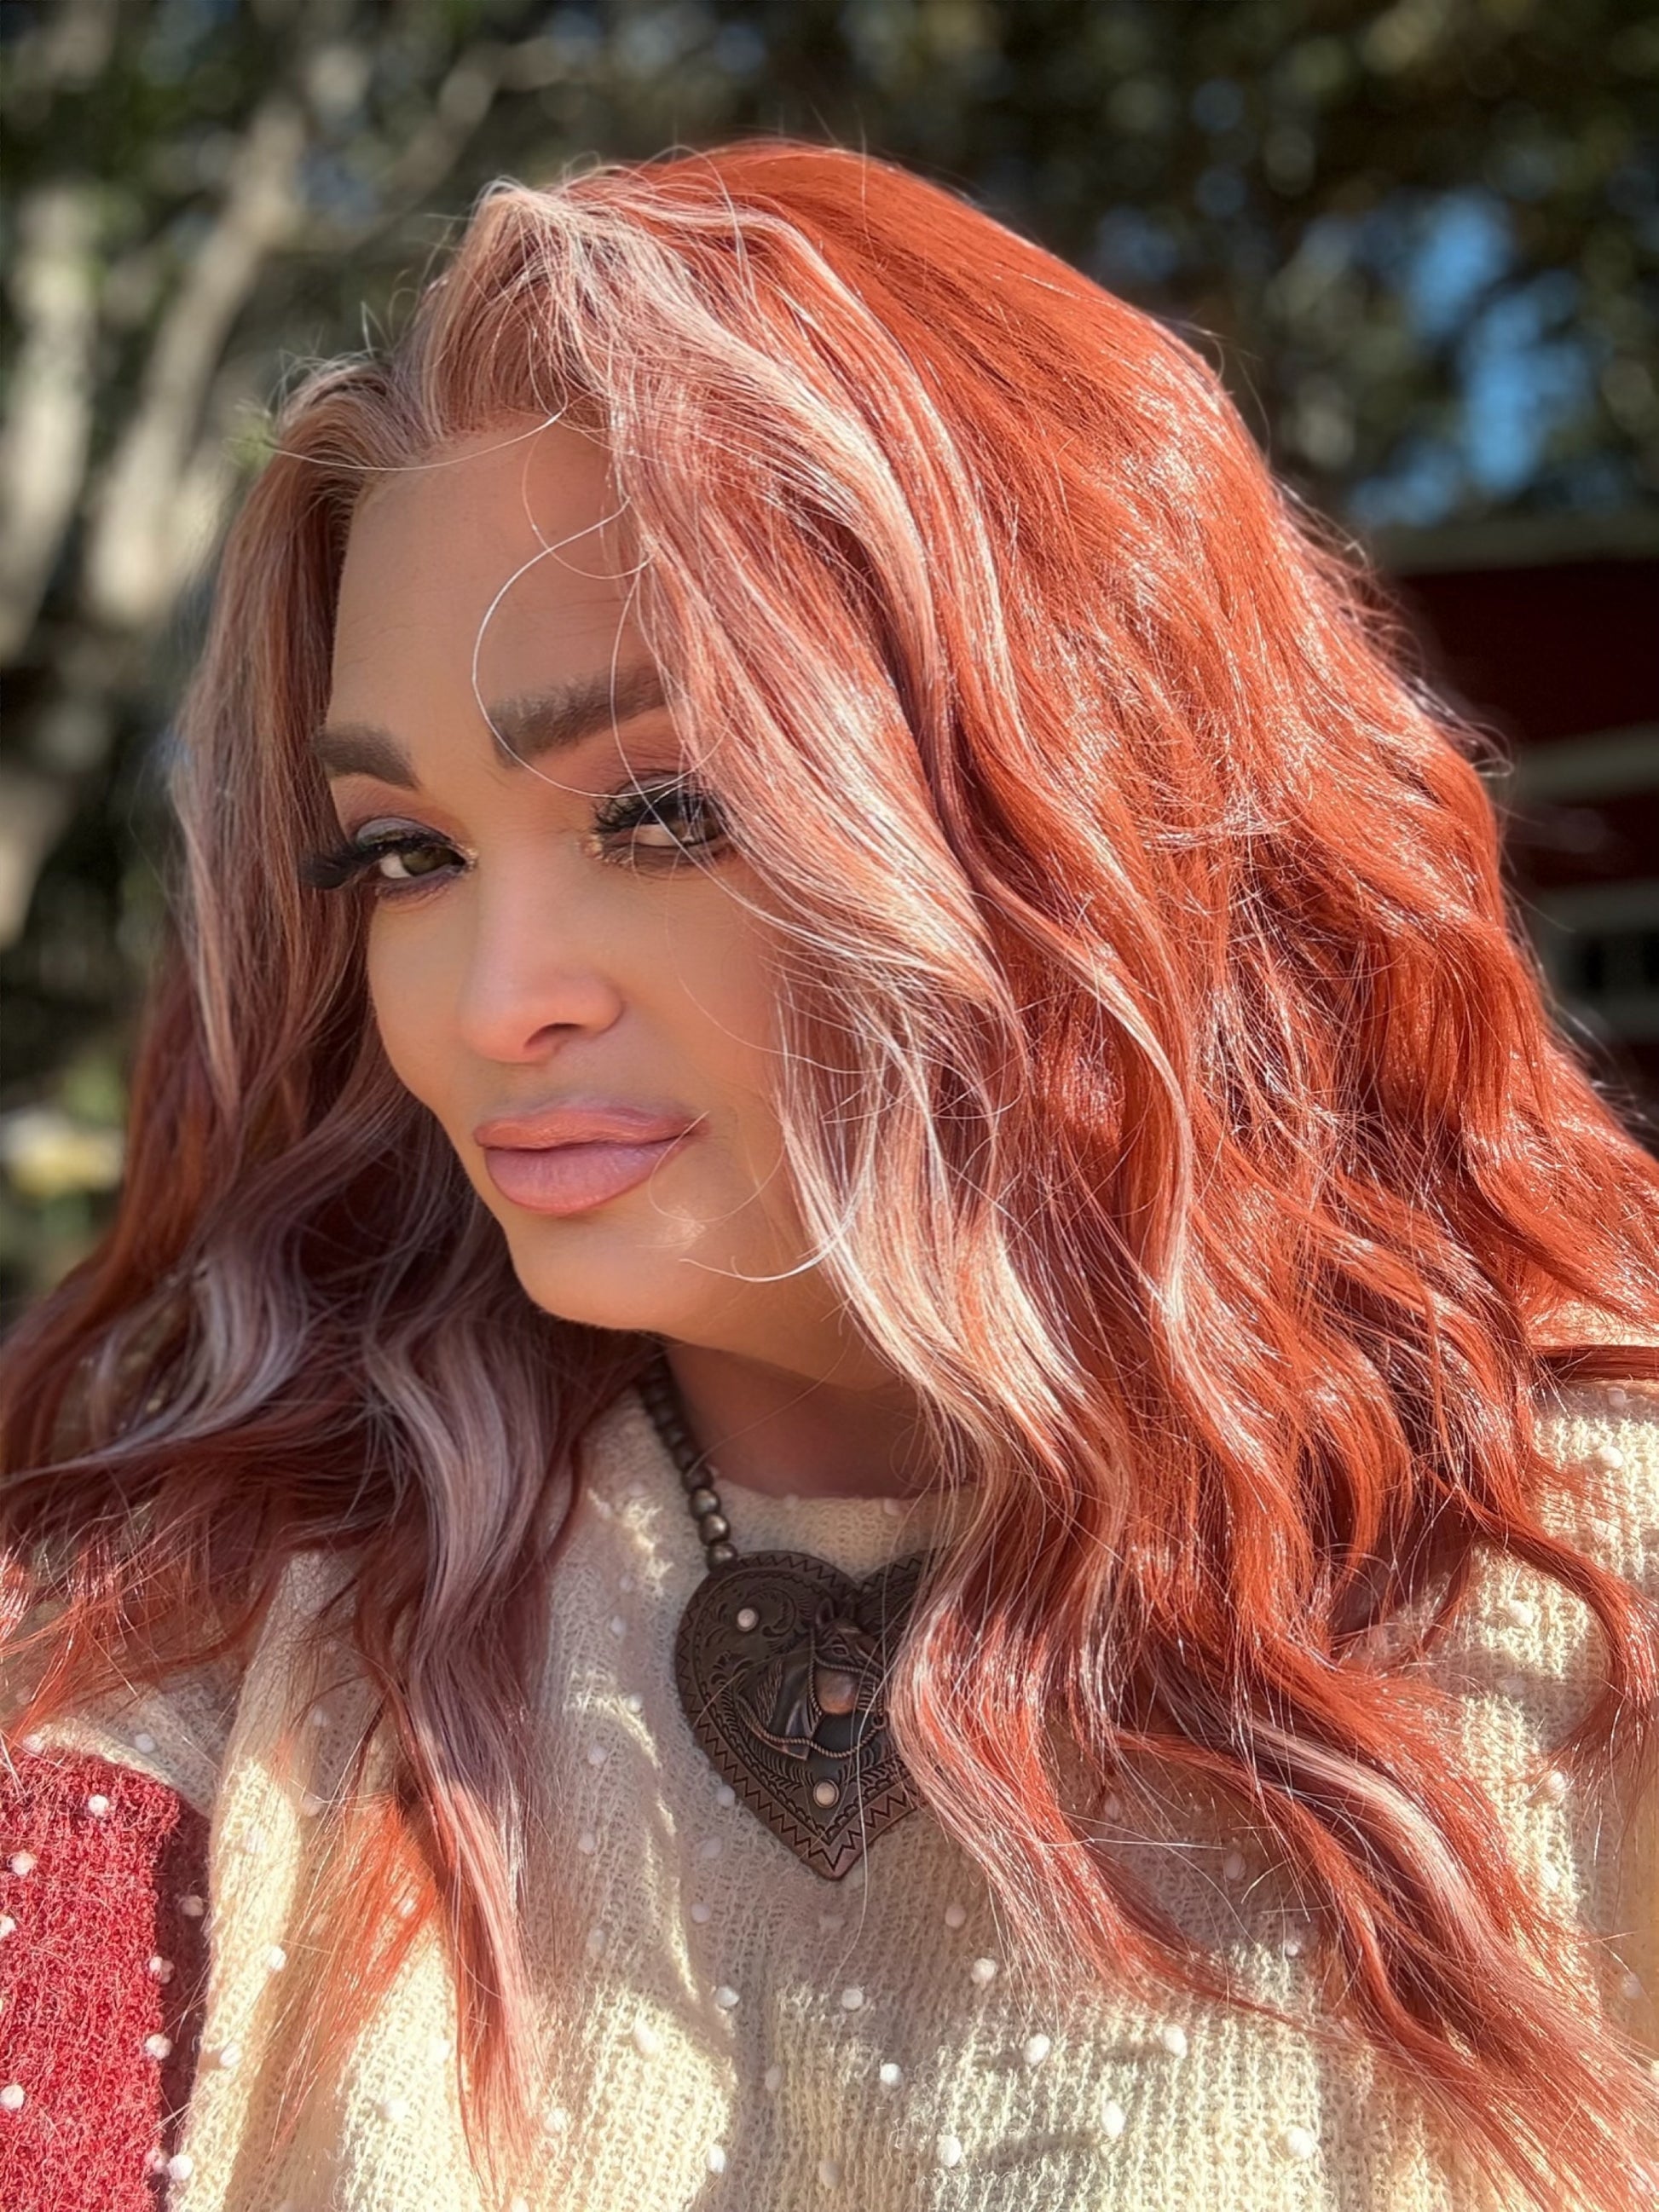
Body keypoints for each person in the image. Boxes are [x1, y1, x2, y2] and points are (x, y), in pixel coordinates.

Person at [2, 140, 1656, 2212]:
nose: (494, 999)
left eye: (666, 814)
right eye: (405, 854)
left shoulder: (1586, 1588)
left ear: (1075, 800)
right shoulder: (214, 1647)